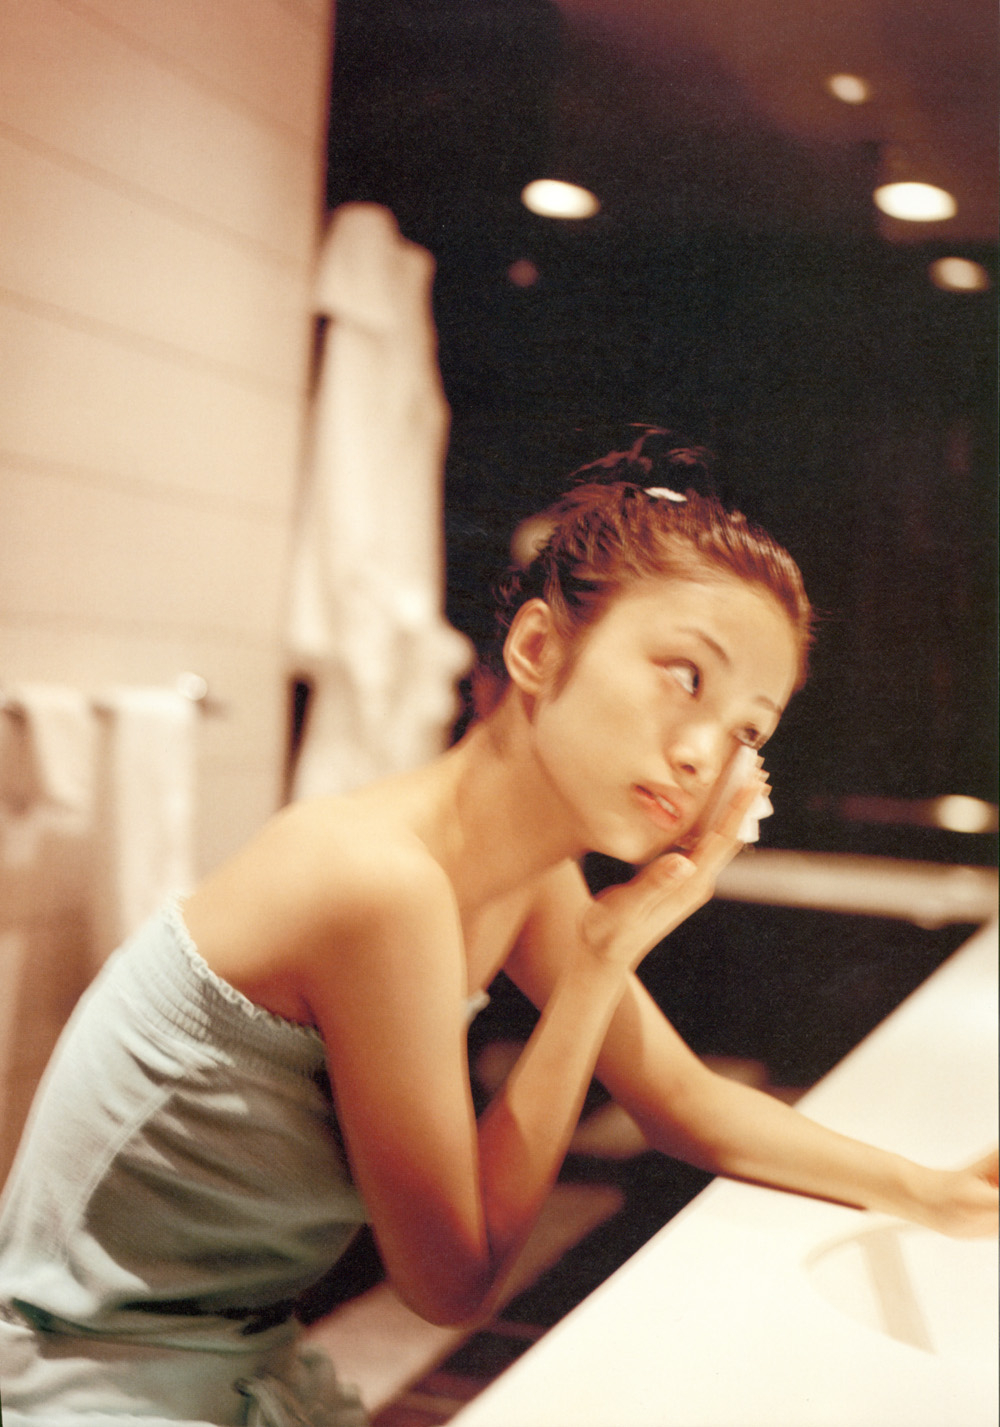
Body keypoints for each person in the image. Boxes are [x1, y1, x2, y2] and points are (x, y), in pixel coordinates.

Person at [1, 448, 996, 1427]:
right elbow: (450, 1284)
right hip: (87, 1378)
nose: (704, 753)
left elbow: (682, 1100)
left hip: (234, 1356)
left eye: (748, 730)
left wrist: (936, 1190)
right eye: (684, 675)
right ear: (536, 649)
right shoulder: (376, 881)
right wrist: (600, 962)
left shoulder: (524, 876)